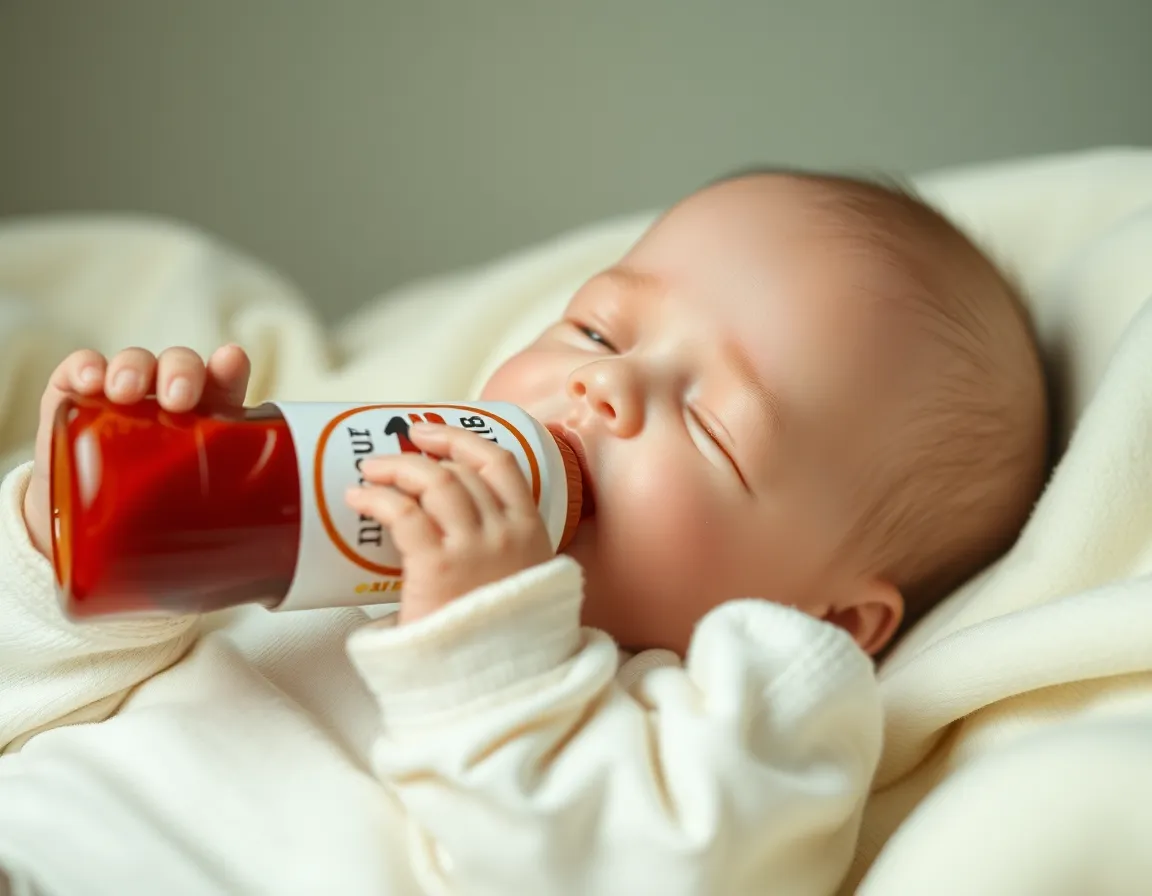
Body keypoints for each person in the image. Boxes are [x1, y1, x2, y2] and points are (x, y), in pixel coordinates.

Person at [0, 170, 1048, 895]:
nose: (606, 384)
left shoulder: (739, 717)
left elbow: (668, 870)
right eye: (596, 329)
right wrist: (68, 549)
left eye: (715, 424)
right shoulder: (329, 511)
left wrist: (488, 646)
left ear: (835, 615)